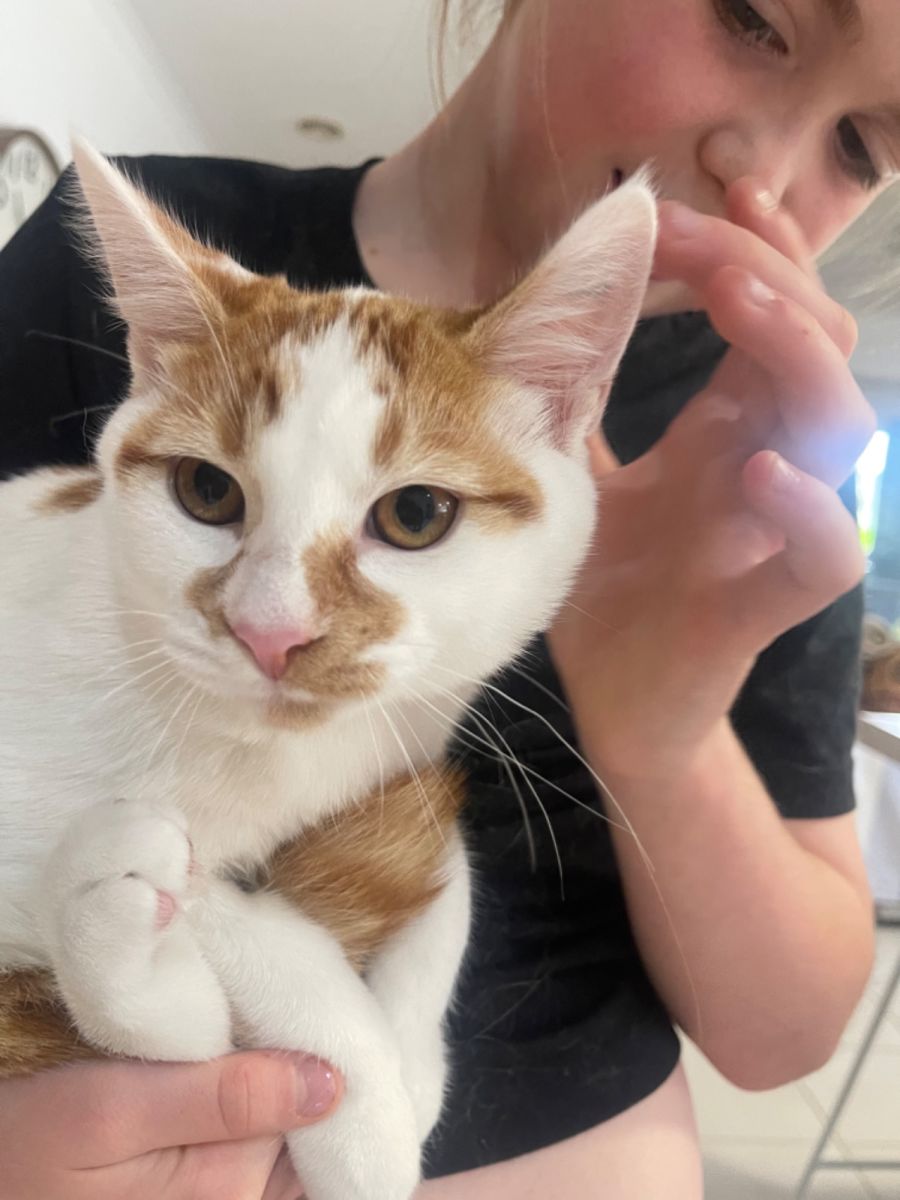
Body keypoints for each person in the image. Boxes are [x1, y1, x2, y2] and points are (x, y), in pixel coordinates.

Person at [0, 0, 890, 1195]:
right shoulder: (119, 276)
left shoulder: (772, 453)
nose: (760, 167)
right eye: (753, 17)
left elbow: (782, 1038)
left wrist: (659, 728)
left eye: (863, 146)